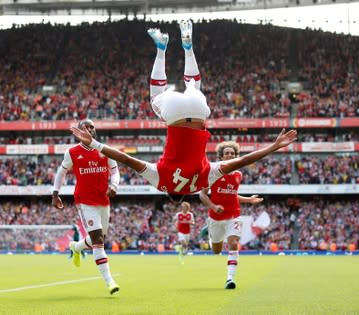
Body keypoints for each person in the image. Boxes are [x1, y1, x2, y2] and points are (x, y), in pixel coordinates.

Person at [70, 20, 297, 201]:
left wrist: (275, 146)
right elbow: (126, 159)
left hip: (198, 114)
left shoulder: (203, 182)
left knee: (194, 87)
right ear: (168, 193)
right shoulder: (160, 182)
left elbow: (241, 161)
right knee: (156, 97)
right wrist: (94, 144)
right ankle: (161, 48)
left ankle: (188, 48)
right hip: (175, 115)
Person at [52, 119, 121, 295]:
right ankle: (109, 282)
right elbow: (61, 171)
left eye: (92, 127)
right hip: (84, 201)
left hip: (104, 200)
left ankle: (76, 247)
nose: (90, 129)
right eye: (87, 127)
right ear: (80, 131)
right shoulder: (73, 152)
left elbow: (115, 172)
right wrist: (55, 193)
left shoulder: (104, 150)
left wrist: (114, 185)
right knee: (98, 242)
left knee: (98, 239)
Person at [199, 141, 263, 289]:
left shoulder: (238, 174)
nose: (230, 155)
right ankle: (209, 230)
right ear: (221, 156)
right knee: (216, 251)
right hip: (215, 217)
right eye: (227, 153)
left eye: (233, 154)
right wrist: (213, 207)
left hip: (233, 214)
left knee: (234, 243)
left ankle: (230, 279)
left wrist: (249, 199)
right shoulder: (212, 173)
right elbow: (202, 195)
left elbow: (232, 195)